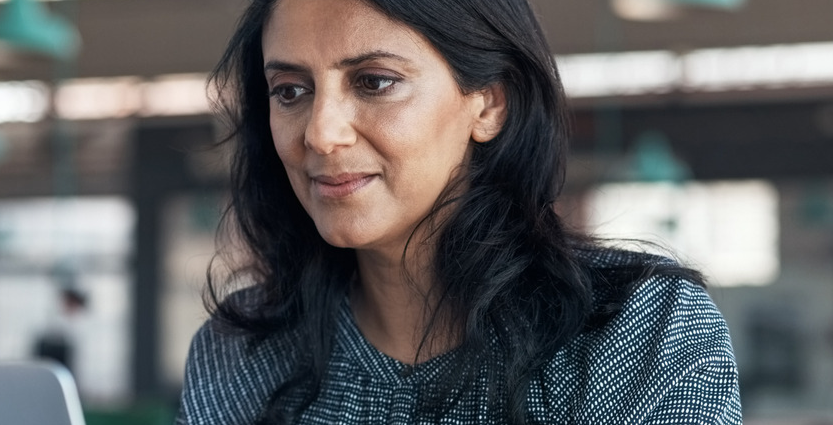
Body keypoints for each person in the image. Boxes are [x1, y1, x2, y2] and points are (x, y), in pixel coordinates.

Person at [180, 0, 740, 423]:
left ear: (490, 102)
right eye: (291, 91)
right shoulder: (239, 357)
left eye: (375, 82)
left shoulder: (636, 330)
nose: (321, 134)